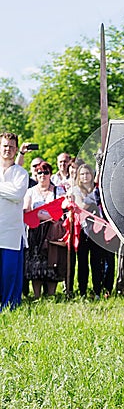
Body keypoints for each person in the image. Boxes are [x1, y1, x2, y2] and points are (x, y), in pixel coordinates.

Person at [23, 161, 67, 299]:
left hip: (52, 231)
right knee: (35, 263)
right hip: (35, 231)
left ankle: (51, 295)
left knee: (52, 261)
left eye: (46, 172)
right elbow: (26, 210)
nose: (43, 175)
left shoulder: (58, 190)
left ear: (50, 174)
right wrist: (43, 215)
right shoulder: (30, 191)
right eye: (39, 173)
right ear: (36, 175)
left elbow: (63, 208)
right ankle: (36, 295)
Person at [0, 132, 29, 310]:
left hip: (12, 231)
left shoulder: (21, 173)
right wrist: (7, 190)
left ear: (16, 149)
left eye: (11, 147)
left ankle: (9, 306)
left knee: (9, 272)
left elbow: (18, 194)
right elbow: (11, 193)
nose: (7, 150)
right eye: (4, 146)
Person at [72, 163, 105, 299]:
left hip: (98, 230)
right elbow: (82, 206)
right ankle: (83, 291)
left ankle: (98, 291)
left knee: (97, 262)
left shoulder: (98, 189)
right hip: (82, 231)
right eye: (82, 174)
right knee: (82, 263)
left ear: (92, 175)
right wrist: (94, 196)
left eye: (87, 173)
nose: (85, 176)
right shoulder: (76, 190)